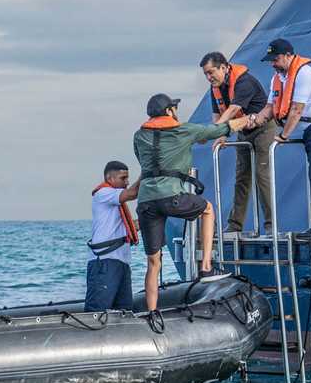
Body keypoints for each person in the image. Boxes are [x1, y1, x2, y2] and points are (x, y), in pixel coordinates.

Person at [134, 93, 247, 310]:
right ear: (168, 112)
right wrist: (247, 120)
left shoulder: (139, 136)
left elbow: (144, 162)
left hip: (146, 201)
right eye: (173, 108)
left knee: (153, 262)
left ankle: (151, 313)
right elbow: (218, 130)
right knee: (207, 209)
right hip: (171, 197)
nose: (176, 111)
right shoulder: (182, 130)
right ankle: (206, 266)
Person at [255, 39, 311, 227]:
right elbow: (270, 107)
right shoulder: (277, 78)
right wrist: (255, 120)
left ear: (288, 56)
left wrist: (283, 136)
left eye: (276, 59)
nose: (273, 64)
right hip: (309, 131)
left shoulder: (305, 74)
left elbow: (296, 110)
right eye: (270, 60)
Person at [201, 51, 277, 236]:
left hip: (263, 129)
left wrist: (212, 131)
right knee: (241, 178)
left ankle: (270, 225)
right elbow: (218, 114)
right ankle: (235, 225)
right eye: (206, 74)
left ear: (224, 67)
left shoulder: (244, 82)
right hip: (244, 131)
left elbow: (234, 108)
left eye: (211, 72)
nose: (209, 77)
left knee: (262, 175)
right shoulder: (216, 88)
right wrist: (221, 136)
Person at [85, 161, 140, 312]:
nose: (127, 182)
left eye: (128, 178)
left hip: (121, 263)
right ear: (110, 179)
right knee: (97, 311)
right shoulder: (103, 194)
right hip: (104, 262)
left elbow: (128, 227)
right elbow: (133, 193)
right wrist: (148, 172)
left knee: (124, 310)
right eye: (123, 178)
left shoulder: (115, 203)